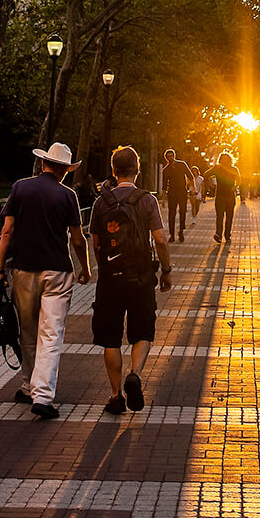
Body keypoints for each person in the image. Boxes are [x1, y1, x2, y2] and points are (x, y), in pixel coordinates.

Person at [0, 142, 89, 419]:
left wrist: (0, 268)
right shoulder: (67, 195)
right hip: (58, 270)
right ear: (64, 170)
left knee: (28, 330)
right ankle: (43, 396)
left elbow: (7, 231)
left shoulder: (20, 188)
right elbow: (76, 237)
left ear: (43, 164)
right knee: (51, 332)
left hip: (23, 268)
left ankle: (27, 386)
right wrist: (85, 267)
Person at [90, 147, 172, 415]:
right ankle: (135, 374)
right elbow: (160, 239)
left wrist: (103, 267)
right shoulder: (147, 200)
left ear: (113, 170)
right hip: (141, 277)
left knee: (110, 338)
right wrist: (166, 271)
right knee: (142, 331)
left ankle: (115, 395)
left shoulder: (101, 202)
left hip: (110, 280)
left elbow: (97, 243)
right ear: (138, 169)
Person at [158, 148, 191, 244]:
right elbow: (164, 186)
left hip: (182, 191)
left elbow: (190, 176)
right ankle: (172, 235)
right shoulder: (166, 170)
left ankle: (181, 231)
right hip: (172, 193)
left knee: (183, 211)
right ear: (166, 158)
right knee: (171, 213)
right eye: (168, 157)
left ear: (174, 156)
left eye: (171, 156)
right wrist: (164, 199)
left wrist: (192, 188)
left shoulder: (182, 164)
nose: (170, 158)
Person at [210, 152, 239, 246]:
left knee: (229, 216)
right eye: (222, 159)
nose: (224, 160)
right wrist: (210, 183)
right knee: (220, 216)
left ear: (229, 160)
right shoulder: (217, 169)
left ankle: (227, 234)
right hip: (220, 196)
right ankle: (218, 234)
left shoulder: (234, 169)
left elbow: (239, 180)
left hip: (230, 196)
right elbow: (206, 174)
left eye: (226, 159)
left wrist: (235, 187)